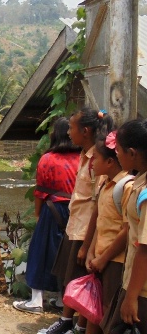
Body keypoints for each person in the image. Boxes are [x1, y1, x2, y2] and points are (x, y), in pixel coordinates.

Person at [39, 108, 113, 334]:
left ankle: (76, 323)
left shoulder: (96, 160)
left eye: (72, 128)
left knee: (81, 277)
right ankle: (69, 320)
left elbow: (98, 202)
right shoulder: (83, 155)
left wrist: (88, 244)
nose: (69, 132)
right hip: (75, 224)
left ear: (86, 131)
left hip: (85, 229)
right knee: (70, 276)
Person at [13, 117, 80, 315]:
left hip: (52, 210)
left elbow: (40, 192)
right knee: (67, 254)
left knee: (40, 253)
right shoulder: (82, 159)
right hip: (77, 210)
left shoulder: (48, 159)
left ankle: (36, 300)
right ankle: (62, 299)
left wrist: (38, 215)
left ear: (55, 134)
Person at [101, 119, 147, 333]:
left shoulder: (144, 194)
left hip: (142, 291)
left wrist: (131, 297)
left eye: (118, 150)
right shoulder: (138, 184)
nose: (116, 154)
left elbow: (144, 249)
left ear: (132, 153)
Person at [83, 130, 131, 334]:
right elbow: (100, 225)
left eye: (97, 159)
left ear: (110, 162)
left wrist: (103, 258)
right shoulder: (105, 186)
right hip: (100, 258)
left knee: (108, 313)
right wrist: (91, 252)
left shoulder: (126, 187)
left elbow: (127, 231)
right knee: (94, 311)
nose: (92, 163)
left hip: (115, 261)